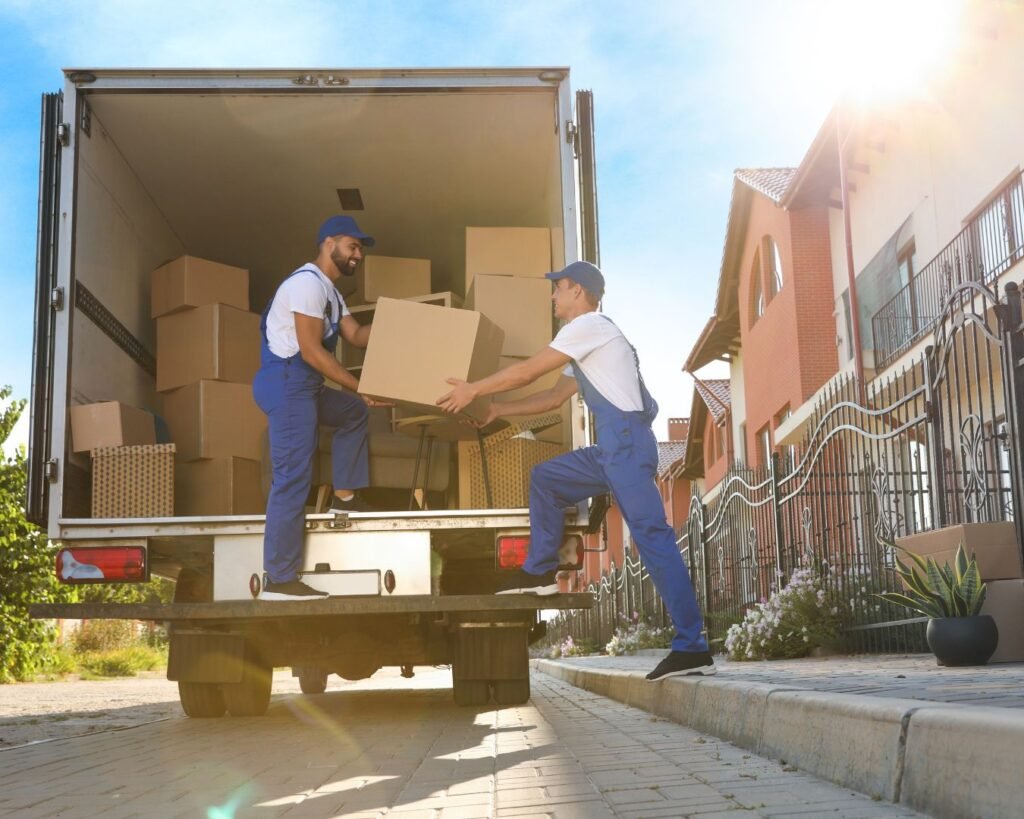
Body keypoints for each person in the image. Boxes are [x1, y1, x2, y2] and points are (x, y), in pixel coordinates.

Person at [437, 261, 715, 680]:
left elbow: (531, 370)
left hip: (625, 446)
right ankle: (540, 572)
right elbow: (552, 397)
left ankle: (692, 646)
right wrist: (498, 409)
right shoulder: (586, 343)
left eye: (559, 288)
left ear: (580, 292)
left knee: (654, 540)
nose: (554, 296)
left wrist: (473, 389)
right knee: (547, 479)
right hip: (611, 450)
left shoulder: (591, 326)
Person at [253, 215, 384, 601]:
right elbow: (311, 351)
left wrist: (402, 324)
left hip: (305, 386)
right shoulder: (306, 284)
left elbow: (357, 335)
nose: (357, 254)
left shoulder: (331, 293)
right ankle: (279, 576)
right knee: (293, 476)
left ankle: (345, 496)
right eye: (353, 246)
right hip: (288, 382)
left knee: (353, 413)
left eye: (359, 248)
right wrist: (360, 386)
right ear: (330, 243)